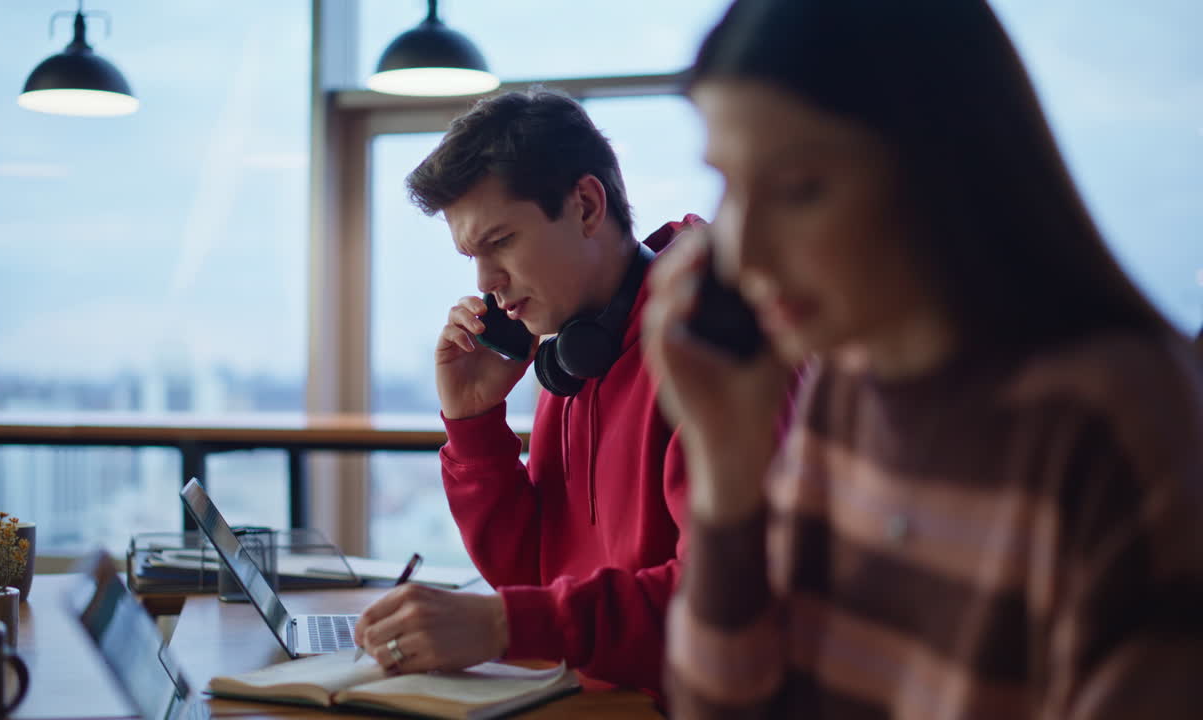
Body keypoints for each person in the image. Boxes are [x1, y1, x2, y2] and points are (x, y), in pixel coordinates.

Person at [642, 0, 1203, 717]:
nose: (743, 254)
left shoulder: (1117, 423)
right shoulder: (844, 383)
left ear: (945, 165)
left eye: (799, 190)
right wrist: (725, 473)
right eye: (726, 184)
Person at [352, 88, 732, 700]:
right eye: (472, 255)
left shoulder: (712, 347)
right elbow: (533, 575)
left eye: (500, 241)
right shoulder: (573, 352)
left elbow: (718, 603)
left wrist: (505, 623)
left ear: (585, 205)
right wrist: (473, 423)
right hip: (584, 696)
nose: (485, 283)